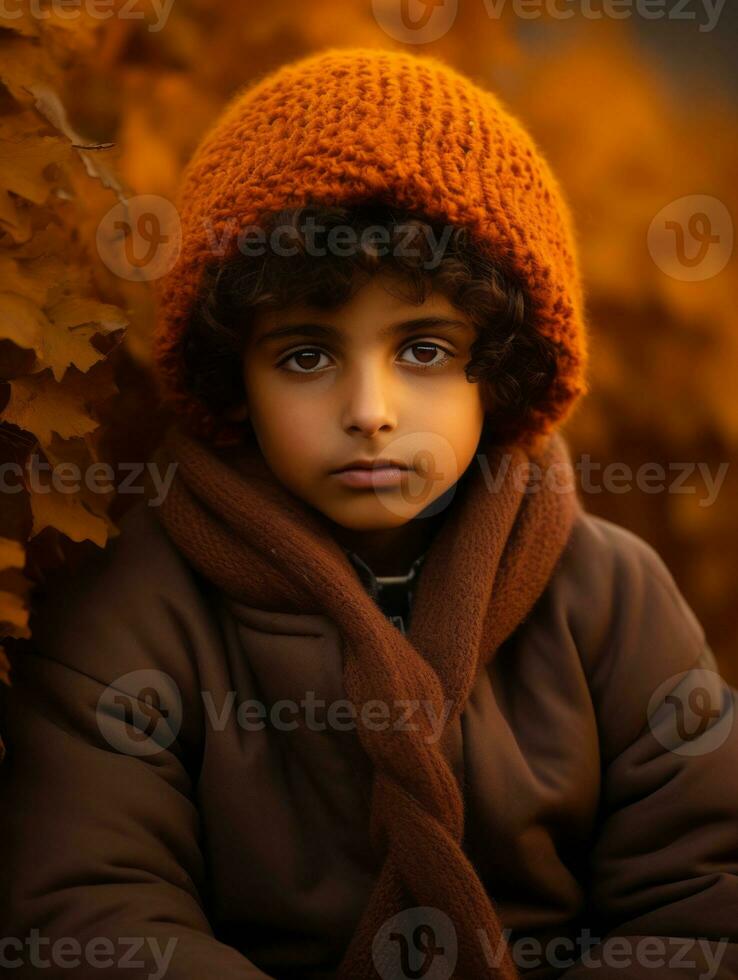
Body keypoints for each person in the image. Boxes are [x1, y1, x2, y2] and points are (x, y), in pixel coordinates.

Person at [1, 47, 736, 980]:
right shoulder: (138, 605)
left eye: (424, 349)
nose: (370, 409)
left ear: (502, 368)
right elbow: (88, 909)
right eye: (307, 357)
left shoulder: (613, 597)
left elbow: (706, 900)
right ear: (236, 378)